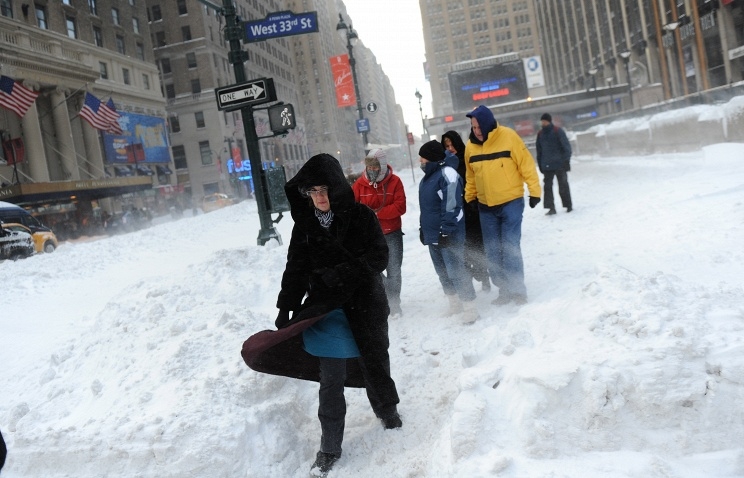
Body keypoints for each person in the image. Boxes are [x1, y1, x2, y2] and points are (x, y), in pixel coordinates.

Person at [274, 153, 401, 476]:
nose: (319, 198)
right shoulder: (303, 226)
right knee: (331, 379)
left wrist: (344, 272)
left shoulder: (360, 216)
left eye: (324, 190)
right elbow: (296, 267)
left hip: (366, 302)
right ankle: (329, 446)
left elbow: (379, 256)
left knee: (374, 359)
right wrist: (286, 304)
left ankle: (386, 409)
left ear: (337, 189)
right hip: (328, 309)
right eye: (312, 192)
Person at [464, 105, 541, 306]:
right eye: (473, 127)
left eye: (479, 127)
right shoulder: (470, 147)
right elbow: (471, 176)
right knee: (492, 251)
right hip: (485, 207)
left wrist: (534, 191)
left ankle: (518, 291)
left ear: (488, 124)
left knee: (509, 247)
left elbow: (526, 164)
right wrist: (470, 197)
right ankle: (504, 290)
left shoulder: (509, 137)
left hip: (511, 203)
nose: (476, 131)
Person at [418, 140, 479, 324]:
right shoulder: (426, 179)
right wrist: (424, 229)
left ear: (432, 158)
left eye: (422, 158)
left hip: (448, 234)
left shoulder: (448, 174)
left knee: (456, 271)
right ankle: (454, 303)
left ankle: (470, 307)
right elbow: (428, 209)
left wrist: (446, 231)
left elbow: (452, 206)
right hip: (433, 235)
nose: (420, 161)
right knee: (442, 272)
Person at [352, 148, 407, 317]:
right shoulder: (359, 185)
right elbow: (353, 209)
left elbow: (400, 206)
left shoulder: (395, 182)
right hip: (369, 237)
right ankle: (386, 297)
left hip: (392, 234)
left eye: (375, 167)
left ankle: (394, 303)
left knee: (394, 270)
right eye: (370, 167)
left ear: (382, 167)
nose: (372, 170)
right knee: (372, 269)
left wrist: (375, 214)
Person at [441, 130, 490, 293]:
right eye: (446, 146)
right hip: (456, 214)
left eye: (452, 144)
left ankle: (484, 277)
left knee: (477, 245)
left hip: (472, 210)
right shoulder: (445, 165)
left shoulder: (467, 160)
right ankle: (470, 278)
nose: (450, 148)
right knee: (463, 249)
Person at [536, 113, 573, 215]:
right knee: (547, 187)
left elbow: (566, 147)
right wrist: (540, 165)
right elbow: (539, 151)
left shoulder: (558, 131)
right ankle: (550, 207)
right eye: (542, 121)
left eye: (544, 121)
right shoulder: (540, 134)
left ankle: (568, 205)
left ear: (549, 121)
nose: (543, 123)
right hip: (547, 166)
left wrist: (566, 161)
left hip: (560, 164)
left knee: (563, 186)